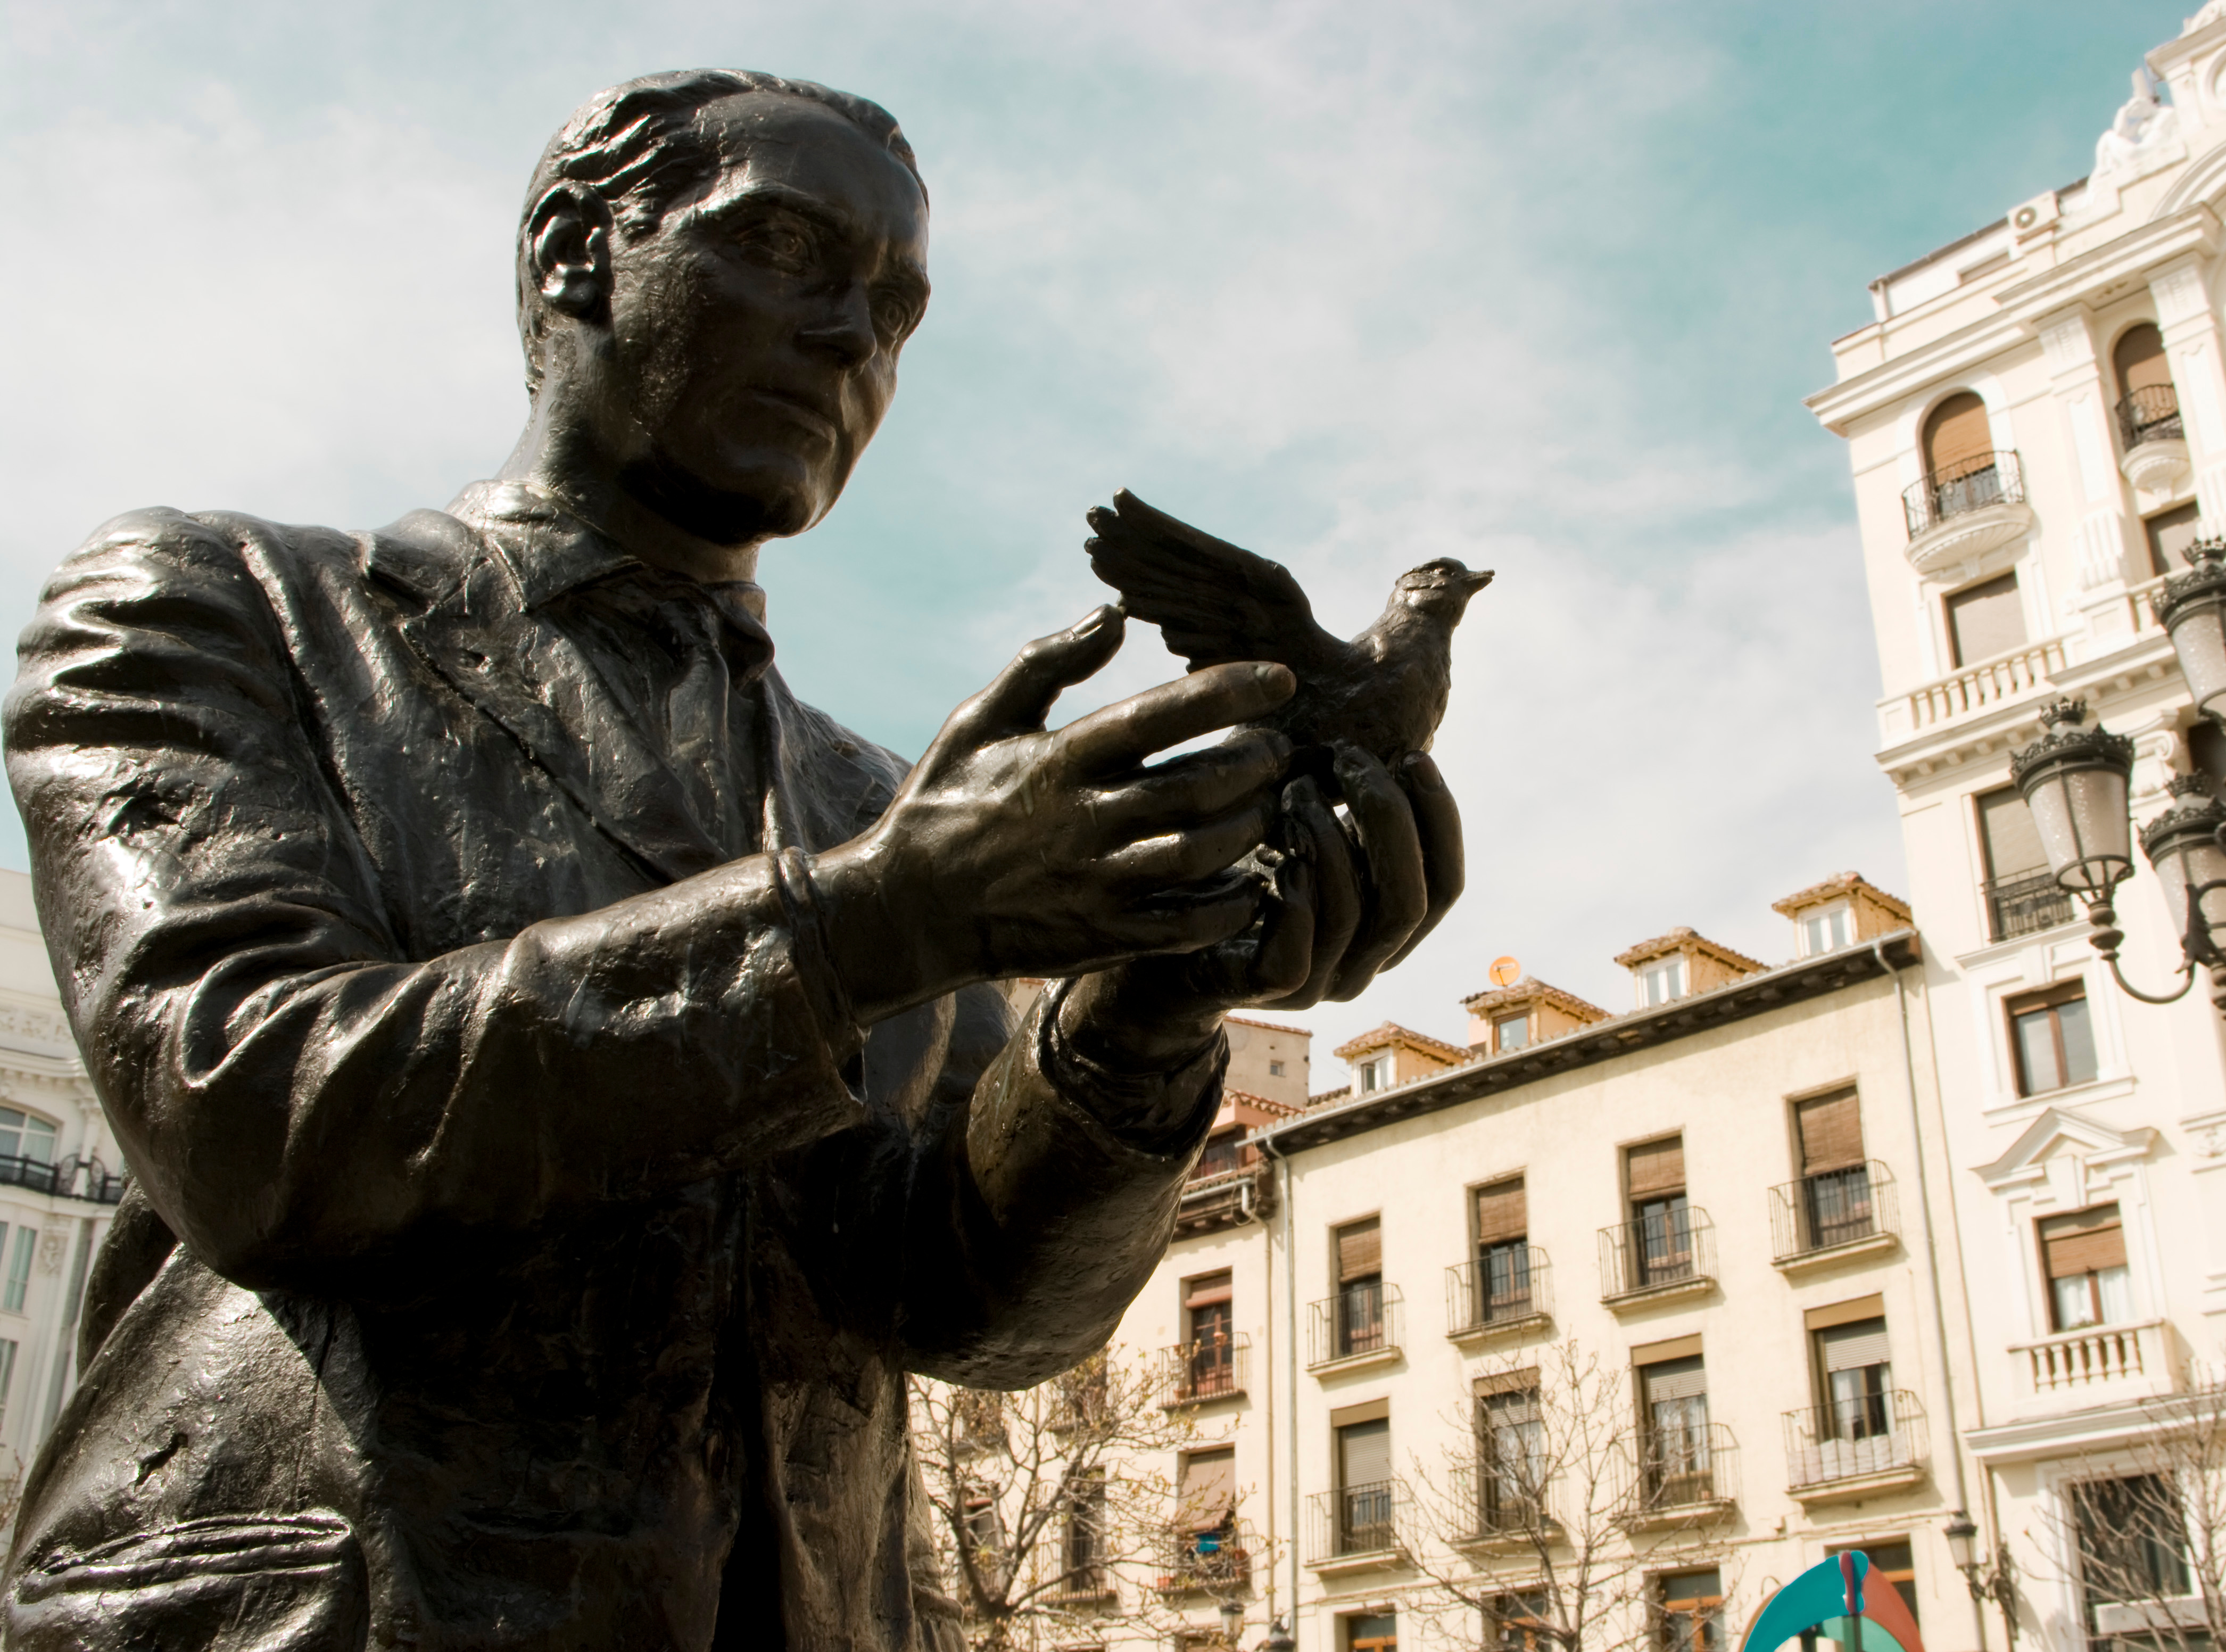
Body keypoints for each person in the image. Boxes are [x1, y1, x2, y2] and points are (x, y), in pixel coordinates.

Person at [0, 69, 1461, 1651]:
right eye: (786, 251)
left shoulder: (870, 796)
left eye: (896, 313)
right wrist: (873, 924)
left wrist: (1139, 1017)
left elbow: (966, 1308)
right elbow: (248, 1109)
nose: (854, 340)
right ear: (576, 254)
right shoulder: (222, 609)